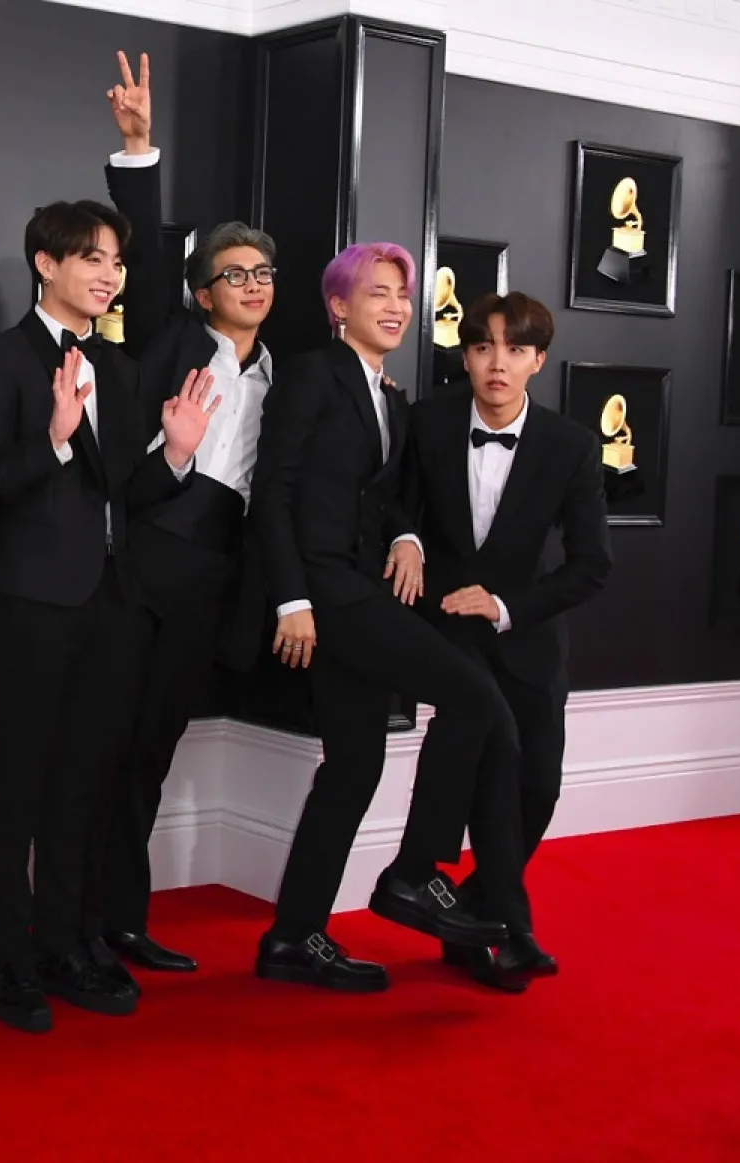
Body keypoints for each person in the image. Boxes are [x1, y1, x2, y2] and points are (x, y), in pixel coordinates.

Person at [0, 182, 217, 1032]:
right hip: (32, 599)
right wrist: (56, 437)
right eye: (92, 259)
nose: (109, 275)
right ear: (46, 263)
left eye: (117, 261)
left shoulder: (121, 367)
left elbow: (126, 494)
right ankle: (10, 962)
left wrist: (175, 457)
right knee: (25, 778)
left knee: (84, 779)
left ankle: (65, 943)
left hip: (113, 599)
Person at [249, 241, 528, 994]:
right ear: (339, 306)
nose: (397, 306)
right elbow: (271, 493)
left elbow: (386, 493)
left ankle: (292, 937)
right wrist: (292, 599)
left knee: (356, 765)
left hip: (359, 584)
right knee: (474, 696)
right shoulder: (312, 375)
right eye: (378, 293)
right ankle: (412, 871)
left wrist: (404, 534)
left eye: (402, 294)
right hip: (330, 594)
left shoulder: (389, 395)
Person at [92, 51, 277, 974]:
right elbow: (151, 250)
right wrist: (137, 147)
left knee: (153, 750)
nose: (251, 283)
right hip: (146, 557)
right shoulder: (175, 337)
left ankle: (119, 918)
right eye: (233, 273)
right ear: (204, 293)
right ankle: (87, 920)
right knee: (114, 744)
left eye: (263, 273)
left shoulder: (290, 376)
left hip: (217, 574)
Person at [404, 291, 611, 989]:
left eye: (516, 349)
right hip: (448, 633)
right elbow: (394, 508)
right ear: (465, 356)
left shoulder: (573, 446)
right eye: (485, 346)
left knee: (538, 786)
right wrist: (408, 541)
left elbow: (592, 566)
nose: (498, 363)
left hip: (526, 633)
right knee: (494, 765)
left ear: (538, 360)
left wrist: (504, 605)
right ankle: (508, 931)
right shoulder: (426, 423)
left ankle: (469, 910)